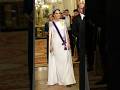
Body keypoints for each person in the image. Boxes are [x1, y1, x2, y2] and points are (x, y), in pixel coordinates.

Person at [47, 9, 76, 87]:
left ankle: (67, 80)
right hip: (55, 45)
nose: (58, 14)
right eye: (56, 13)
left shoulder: (63, 22)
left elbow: (66, 32)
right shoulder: (51, 24)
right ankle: (60, 79)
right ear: (53, 15)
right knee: (59, 62)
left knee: (66, 61)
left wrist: (68, 42)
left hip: (64, 44)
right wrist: (50, 46)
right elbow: (50, 36)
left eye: (59, 13)